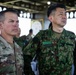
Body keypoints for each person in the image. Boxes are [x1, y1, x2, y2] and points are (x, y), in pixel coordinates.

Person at [23, 3, 75, 75]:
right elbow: (26, 56)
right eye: (60, 14)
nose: (64, 17)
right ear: (51, 18)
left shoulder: (71, 36)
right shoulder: (41, 36)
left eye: (65, 14)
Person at [0, 9, 24, 75]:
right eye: (11, 21)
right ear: (1, 25)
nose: (15, 24)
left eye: (17, 22)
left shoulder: (18, 48)